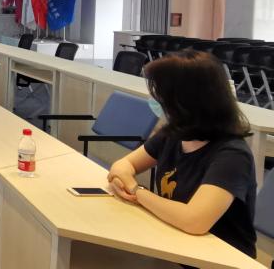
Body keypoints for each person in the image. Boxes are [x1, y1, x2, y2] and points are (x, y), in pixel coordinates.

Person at [107, 51, 255, 260]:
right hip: (176, 244)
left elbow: (194, 221)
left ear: (185, 101)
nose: (156, 101)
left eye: (162, 96)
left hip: (220, 259)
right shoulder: (173, 134)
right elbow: (122, 165)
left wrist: (137, 191)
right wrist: (123, 180)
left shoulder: (233, 155)